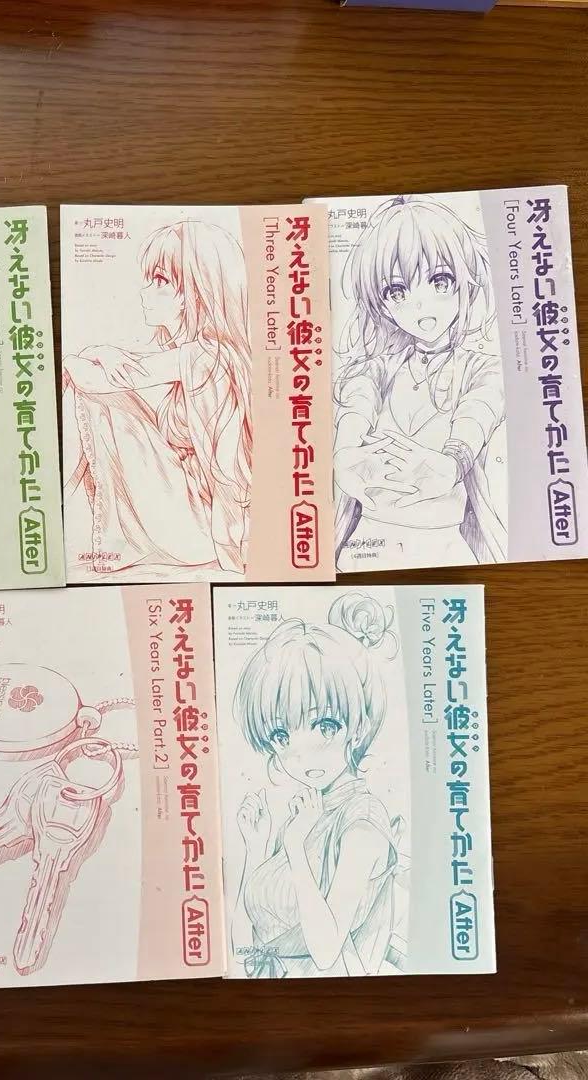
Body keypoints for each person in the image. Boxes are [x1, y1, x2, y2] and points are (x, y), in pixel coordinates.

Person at [63, 219, 253, 577]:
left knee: (99, 398)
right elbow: (112, 368)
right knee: (102, 393)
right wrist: (97, 355)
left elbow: (92, 377)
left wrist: (85, 357)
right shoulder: (188, 351)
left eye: (161, 281)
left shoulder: (206, 356)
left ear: (196, 292)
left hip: (204, 527)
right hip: (196, 514)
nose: (145, 291)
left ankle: (59, 500)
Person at [231, 594, 400, 978]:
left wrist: (293, 847)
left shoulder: (361, 826)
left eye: (325, 726)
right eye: (281, 735)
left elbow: (325, 952)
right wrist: (256, 849)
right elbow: (244, 948)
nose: (302, 754)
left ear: (357, 727)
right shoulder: (308, 813)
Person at [334, 195, 506, 569]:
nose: (420, 305)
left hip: (443, 550)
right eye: (397, 292)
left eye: (440, 280)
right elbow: (354, 409)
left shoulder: (484, 371)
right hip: (363, 551)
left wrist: (452, 463)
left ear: (467, 279)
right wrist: (344, 454)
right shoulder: (374, 371)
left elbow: (477, 414)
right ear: (381, 304)